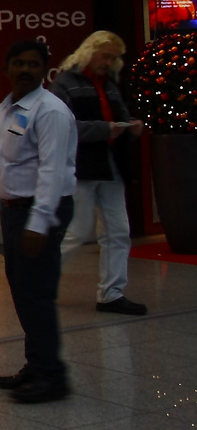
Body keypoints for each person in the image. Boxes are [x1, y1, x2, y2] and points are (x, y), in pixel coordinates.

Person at [0, 40, 77, 404]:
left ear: (44, 70)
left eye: (33, 64)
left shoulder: (50, 112)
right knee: (22, 293)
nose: (25, 70)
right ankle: (36, 365)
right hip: (14, 210)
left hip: (39, 211)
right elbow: (1, 163)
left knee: (35, 295)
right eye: (18, 63)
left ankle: (52, 376)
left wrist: (39, 223)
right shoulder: (8, 109)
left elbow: (52, 172)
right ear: (6, 69)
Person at [55, 31, 146, 316]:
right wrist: (105, 129)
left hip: (111, 165)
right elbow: (64, 128)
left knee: (118, 231)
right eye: (105, 55)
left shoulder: (110, 85)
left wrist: (129, 129)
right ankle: (39, 281)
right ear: (89, 51)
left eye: (113, 57)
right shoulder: (65, 83)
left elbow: (117, 118)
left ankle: (111, 293)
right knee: (77, 231)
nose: (109, 62)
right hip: (82, 166)